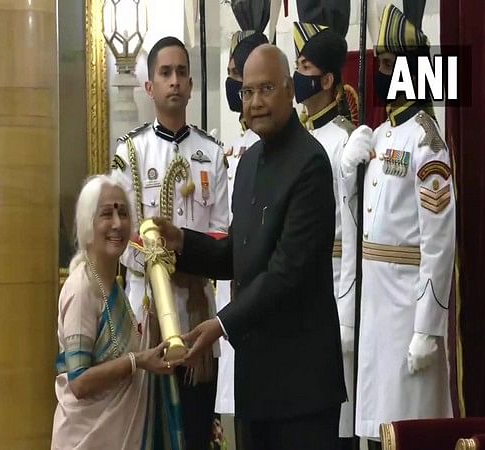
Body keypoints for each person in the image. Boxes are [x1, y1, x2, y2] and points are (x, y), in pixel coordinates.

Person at [155, 44, 346, 450]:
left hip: (303, 389)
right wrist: (182, 242)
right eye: (248, 92)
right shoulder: (248, 162)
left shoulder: (310, 163)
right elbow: (238, 256)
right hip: (256, 383)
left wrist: (221, 324)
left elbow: (287, 270)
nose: (255, 102)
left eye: (267, 89)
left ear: (290, 90)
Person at [340, 5, 455, 449]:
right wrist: (348, 174)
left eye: (389, 64)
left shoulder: (428, 142)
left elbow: (439, 242)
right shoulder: (381, 134)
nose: (382, 72)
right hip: (374, 305)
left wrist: (428, 327)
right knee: (375, 429)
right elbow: (362, 223)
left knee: (409, 431)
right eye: (381, 63)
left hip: (407, 309)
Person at [111, 36, 229, 450]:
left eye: (181, 73)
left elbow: (221, 235)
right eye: (165, 73)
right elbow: (118, 236)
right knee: (148, 431)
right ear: (149, 87)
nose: (174, 81)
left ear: (192, 85)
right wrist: (155, 260)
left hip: (195, 312)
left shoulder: (211, 153)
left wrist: (186, 254)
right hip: (147, 315)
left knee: (196, 430)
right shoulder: (131, 152)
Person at [51, 173, 182, 450]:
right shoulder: (82, 289)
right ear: (87, 223)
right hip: (86, 439)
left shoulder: (114, 286)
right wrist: (138, 361)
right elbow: (80, 383)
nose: (117, 224)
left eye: (123, 213)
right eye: (106, 214)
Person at [292, 22, 356, 450]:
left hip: (333, 287)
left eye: (304, 66)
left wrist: (348, 312)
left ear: (327, 79)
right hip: (294, 290)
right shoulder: (297, 138)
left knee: (334, 426)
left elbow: (352, 234)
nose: (297, 76)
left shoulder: (345, 143)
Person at [215, 29, 268, 447]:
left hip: (260, 305)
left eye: (242, 81)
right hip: (229, 298)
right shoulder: (234, 151)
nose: (238, 91)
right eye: (237, 84)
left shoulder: (283, 154)